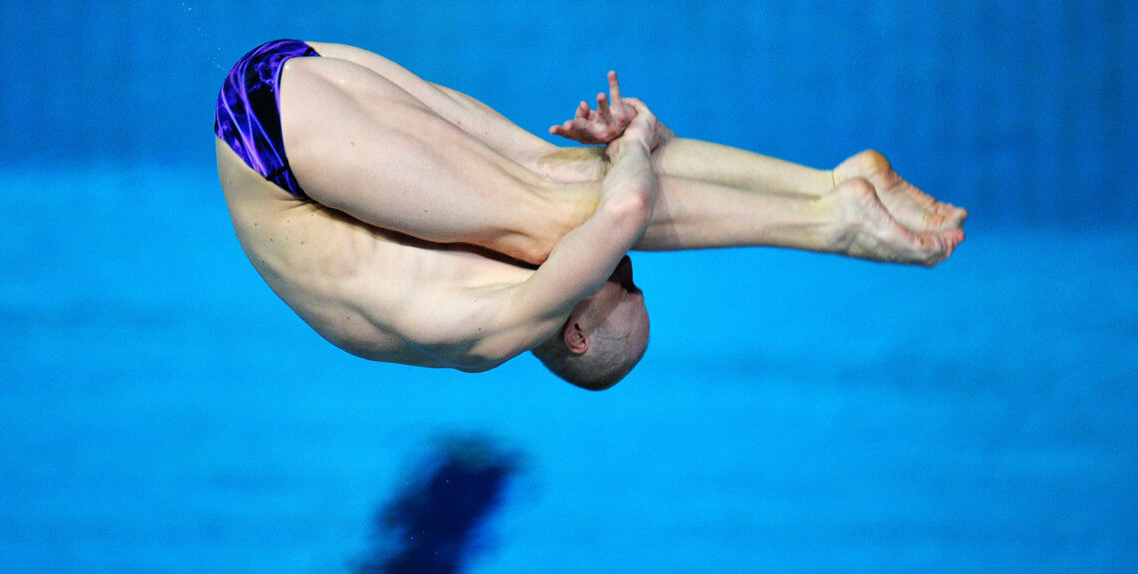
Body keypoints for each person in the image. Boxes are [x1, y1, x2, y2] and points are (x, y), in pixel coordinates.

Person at [214, 40, 966, 389]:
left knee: (579, 208)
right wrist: (638, 145)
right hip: (288, 97)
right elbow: (621, 202)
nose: (629, 266)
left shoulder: (488, 329)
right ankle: (836, 185)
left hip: (274, 138)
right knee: (572, 182)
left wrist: (638, 140)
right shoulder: (513, 294)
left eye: (625, 289)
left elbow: (629, 207)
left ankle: (837, 221)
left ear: (574, 333)